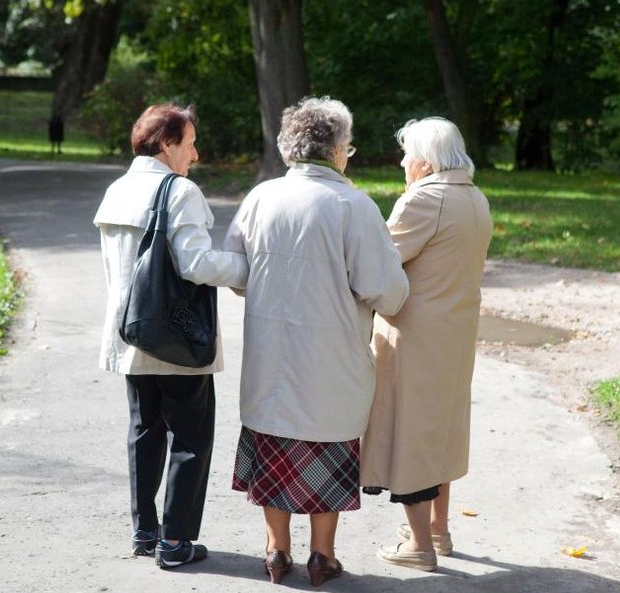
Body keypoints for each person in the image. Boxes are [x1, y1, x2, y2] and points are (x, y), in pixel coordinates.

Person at [224, 97, 409, 585]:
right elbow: (387, 291)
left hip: (271, 354)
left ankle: (275, 550)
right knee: (324, 449)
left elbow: (237, 275)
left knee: (273, 443)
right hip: (332, 360)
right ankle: (322, 557)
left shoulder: (260, 199)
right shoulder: (353, 205)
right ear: (337, 150)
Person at [94, 104, 248, 570]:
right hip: (178, 341)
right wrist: (248, 266)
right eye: (190, 142)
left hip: (130, 336)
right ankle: (176, 542)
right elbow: (196, 265)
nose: (195, 153)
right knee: (190, 436)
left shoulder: (116, 190)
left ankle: (145, 533)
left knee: (144, 432)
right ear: (166, 143)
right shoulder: (179, 191)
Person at [360, 117, 493, 572]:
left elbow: (379, 261)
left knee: (412, 437)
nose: (401, 161)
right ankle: (438, 529)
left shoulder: (425, 198)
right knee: (442, 433)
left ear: (425, 160)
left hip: (415, 337)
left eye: (405, 153)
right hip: (454, 336)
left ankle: (419, 546)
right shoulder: (475, 197)